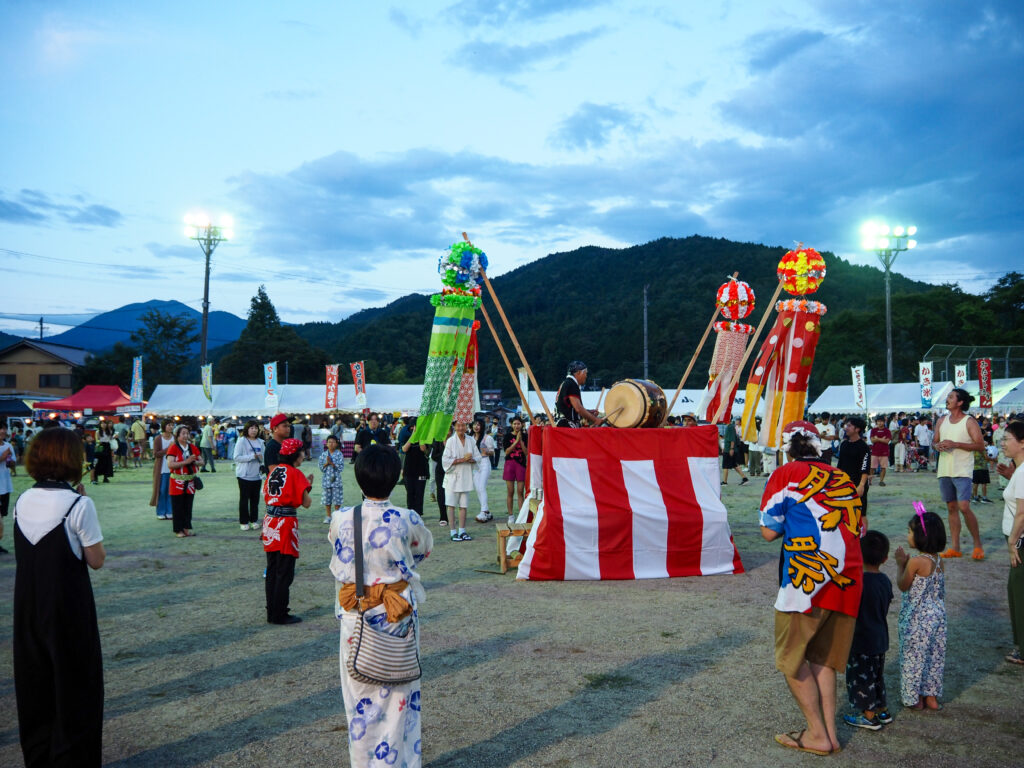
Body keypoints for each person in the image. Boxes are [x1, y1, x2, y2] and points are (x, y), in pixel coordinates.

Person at [759, 420, 863, 757]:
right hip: (847, 579)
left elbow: (769, 531)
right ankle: (829, 734)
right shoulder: (842, 478)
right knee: (823, 659)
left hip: (806, 581)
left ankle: (817, 734)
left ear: (788, 448)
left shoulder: (785, 474)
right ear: (819, 447)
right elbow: (858, 527)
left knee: (791, 659)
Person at [329, 444, 433, 768]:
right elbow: (423, 549)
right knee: (402, 700)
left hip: (356, 616)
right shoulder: (407, 518)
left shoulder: (341, 518)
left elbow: (337, 551)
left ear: (358, 478)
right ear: (398, 476)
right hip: (397, 613)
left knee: (358, 701)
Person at [13, 427, 105, 767]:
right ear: (71, 459)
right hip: (68, 608)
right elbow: (96, 560)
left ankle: (39, 756)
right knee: (76, 686)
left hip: (27, 606)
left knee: (34, 685)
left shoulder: (22, 500)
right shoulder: (79, 504)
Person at [895, 508, 947, 710]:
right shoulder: (939, 560)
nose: (908, 535)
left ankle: (913, 699)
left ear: (920, 536)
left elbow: (903, 584)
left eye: (909, 532)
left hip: (917, 620)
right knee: (934, 657)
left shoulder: (916, 562)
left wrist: (901, 564)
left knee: (913, 658)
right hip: (937, 617)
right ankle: (931, 697)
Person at [843, 531, 894, 730]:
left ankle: (868, 715)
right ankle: (882, 709)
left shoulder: (858, 582)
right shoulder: (885, 581)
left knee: (861, 678)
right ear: (885, 558)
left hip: (862, 639)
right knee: (877, 675)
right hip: (880, 637)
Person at [262, 438, 312, 625]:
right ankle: (280, 613)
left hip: (270, 523)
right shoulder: (295, 473)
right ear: (295, 455)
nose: (303, 456)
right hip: (285, 525)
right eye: (302, 452)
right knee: (285, 572)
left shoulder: (274, 471)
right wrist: (308, 485)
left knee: (272, 569)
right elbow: (306, 503)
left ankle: (271, 611)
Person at [934, 388, 986, 560]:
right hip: (944, 469)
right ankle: (955, 547)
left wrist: (955, 443)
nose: (947, 400)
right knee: (951, 508)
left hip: (962, 469)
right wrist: (938, 446)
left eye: (950, 397)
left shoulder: (969, 421)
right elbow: (935, 442)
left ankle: (977, 545)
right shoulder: (941, 420)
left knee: (964, 507)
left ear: (960, 402)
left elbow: (980, 445)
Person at [996, 420, 1024, 665]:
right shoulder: (1020, 470)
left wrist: (1012, 542)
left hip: (1020, 541)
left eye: (1007, 439)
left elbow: (1023, 513)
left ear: (1022, 442)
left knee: (1019, 592)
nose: (1002, 443)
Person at [442, 421, 481, 542]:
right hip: (452, 477)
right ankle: (453, 531)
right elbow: (445, 460)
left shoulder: (471, 440)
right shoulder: (450, 441)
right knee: (451, 505)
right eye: (458, 425)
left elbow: (478, 457)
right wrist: (461, 460)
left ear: (466, 427)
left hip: (465, 476)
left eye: (463, 425)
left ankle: (462, 530)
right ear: (454, 427)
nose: (460, 428)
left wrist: (472, 460)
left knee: (463, 506)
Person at [167, 424, 204, 538]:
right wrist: (186, 461)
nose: (185, 435)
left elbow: (201, 462)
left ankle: (186, 529)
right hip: (177, 481)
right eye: (183, 433)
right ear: (177, 435)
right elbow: (170, 464)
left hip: (190, 481)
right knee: (177, 507)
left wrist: (194, 462)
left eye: (187, 433)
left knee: (188, 507)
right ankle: (178, 530)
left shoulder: (192, 447)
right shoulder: (173, 447)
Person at [837, 416, 871, 527]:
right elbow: (840, 465)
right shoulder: (844, 445)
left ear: (857, 429)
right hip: (844, 483)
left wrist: (861, 485)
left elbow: (865, 467)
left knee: (861, 513)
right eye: (846, 425)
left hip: (858, 483)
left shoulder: (863, 447)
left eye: (849, 426)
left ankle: (864, 538)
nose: (846, 428)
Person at [233, 420, 265, 531]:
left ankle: (254, 520)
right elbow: (236, 457)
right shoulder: (242, 441)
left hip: (257, 475)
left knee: (255, 500)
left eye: (256, 428)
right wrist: (252, 456)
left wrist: (261, 460)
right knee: (244, 499)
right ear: (247, 429)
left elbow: (263, 458)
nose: (254, 430)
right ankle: (243, 521)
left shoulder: (261, 442)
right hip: (244, 475)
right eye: (251, 428)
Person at [555, 360, 602, 427]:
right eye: (585, 373)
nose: (586, 376)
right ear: (579, 372)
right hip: (566, 425)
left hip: (563, 423)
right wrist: (595, 419)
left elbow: (573, 409)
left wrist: (588, 412)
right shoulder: (572, 384)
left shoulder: (567, 383)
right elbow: (578, 408)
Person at [503, 415, 528, 526]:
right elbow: (507, 451)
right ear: (511, 425)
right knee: (510, 491)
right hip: (510, 464)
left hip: (521, 465)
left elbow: (526, 452)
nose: (517, 426)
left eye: (518, 423)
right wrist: (516, 441)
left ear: (522, 424)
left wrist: (521, 440)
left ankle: (521, 516)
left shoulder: (526, 436)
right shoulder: (507, 436)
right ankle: (511, 515)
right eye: (514, 424)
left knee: (520, 491)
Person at [149, 420, 175, 520]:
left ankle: (169, 511)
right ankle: (160, 511)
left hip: (173, 468)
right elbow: (156, 454)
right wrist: (168, 448)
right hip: (162, 468)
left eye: (172, 425)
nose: (171, 427)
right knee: (162, 490)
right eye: (169, 425)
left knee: (171, 490)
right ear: (164, 426)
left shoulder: (174, 438)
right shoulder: (158, 438)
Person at [402, 426, 430, 516]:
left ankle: (418, 514)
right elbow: (404, 449)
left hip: (421, 469)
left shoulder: (426, 436)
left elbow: (423, 449)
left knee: (419, 493)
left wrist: (420, 436)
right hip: (409, 469)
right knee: (410, 493)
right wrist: (413, 435)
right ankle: (410, 513)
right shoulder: (407, 436)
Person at [472, 418, 495, 522]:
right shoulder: (470, 438)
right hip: (475, 465)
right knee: (478, 489)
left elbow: (492, 452)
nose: (476, 427)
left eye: (478, 425)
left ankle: (484, 511)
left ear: (482, 426)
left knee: (481, 487)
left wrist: (486, 451)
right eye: (474, 424)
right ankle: (487, 513)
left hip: (485, 463)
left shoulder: (487, 438)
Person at [319, 434, 345, 524]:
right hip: (326, 480)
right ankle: (328, 516)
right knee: (327, 499)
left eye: (333, 442)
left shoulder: (339, 454)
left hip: (336, 480)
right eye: (329, 442)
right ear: (326, 444)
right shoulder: (323, 454)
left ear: (336, 444)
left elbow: (341, 468)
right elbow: (321, 468)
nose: (331, 444)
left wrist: (332, 463)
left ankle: (336, 516)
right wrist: (327, 463)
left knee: (337, 499)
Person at [0, 425, 15, 555]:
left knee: (2, 516)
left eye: (4, 429)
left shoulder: (8, 446)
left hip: (5, 486)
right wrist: (3, 457)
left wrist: (10, 460)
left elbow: (11, 464)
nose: (3, 431)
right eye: (0, 429)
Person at [722, 417, 750, 485]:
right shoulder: (731, 426)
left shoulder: (730, 427)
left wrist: (731, 449)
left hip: (729, 449)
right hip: (729, 448)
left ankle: (725, 482)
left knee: (725, 466)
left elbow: (732, 439)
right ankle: (744, 478)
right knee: (734, 465)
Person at [868, 416, 891, 487]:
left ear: (884, 422)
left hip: (884, 452)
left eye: (881, 421)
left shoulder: (887, 431)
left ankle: (881, 481)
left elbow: (887, 441)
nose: (880, 423)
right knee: (872, 467)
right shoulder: (873, 430)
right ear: (876, 422)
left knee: (883, 467)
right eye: (878, 421)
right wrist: (882, 439)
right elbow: (872, 440)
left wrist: (877, 438)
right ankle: (869, 481)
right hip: (875, 451)